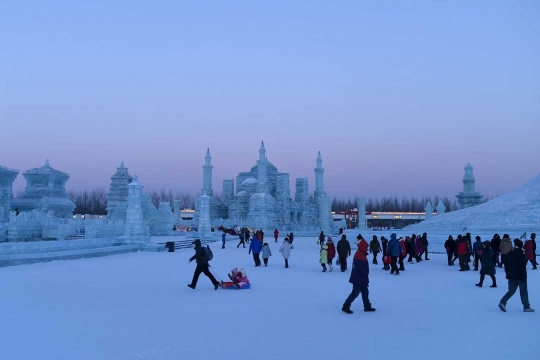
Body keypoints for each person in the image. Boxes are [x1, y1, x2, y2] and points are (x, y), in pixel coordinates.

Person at [499, 239, 535, 313]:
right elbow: (522, 267)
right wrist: (524, 277)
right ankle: (526, 307)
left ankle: (502, 302)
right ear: (521, 246)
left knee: (511, 291)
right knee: (523, 292)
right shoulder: (521, 254)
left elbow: (506, 265)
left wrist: (507, 275)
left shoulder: (509, 253)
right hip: (520, 277)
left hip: (511, 276)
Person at [342, 236, 376, 314]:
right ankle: (346, 306)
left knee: (365, 292)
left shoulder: (360, 253)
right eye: (366, 248)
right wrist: (365, 274)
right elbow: (360, 267)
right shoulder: (360, 254)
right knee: (355, 292)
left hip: (360, 277)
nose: (367, 249)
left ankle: (367, 306)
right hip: (359, 277)